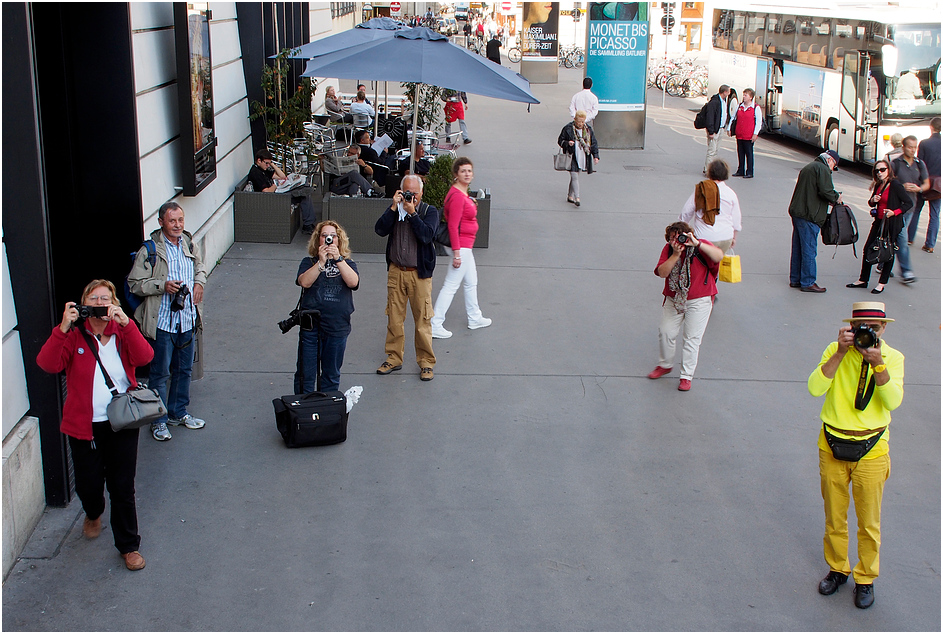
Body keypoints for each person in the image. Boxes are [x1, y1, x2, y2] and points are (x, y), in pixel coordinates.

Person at [36, 279, 154, 571]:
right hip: (85, 427)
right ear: (83, 304)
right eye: (94, 298)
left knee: (123, 487)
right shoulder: (74, 338)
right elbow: (48, 364)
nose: (100, 303)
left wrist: (127, 324)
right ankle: (93, 512)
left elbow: (145, 357)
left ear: (113, 303)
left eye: (106, 298)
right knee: (89, 486)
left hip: (122, 423)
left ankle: (128, 546)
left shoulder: (121, 332)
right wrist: (63, 327)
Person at [809, 301, 903, 610]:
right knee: (834, 515)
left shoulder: (893, 358)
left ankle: (866, 578)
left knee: (869, 520)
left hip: (872, 448)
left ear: (883, 329)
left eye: (873, 328)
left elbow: (892, 401)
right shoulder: (834, 350)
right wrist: (839, 352)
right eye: (859, 327)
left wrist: (878, 364)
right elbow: (814, 388)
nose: (866, 333)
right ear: (849, 328)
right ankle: (838, 569)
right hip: (832, 443)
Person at [128, 201, 207, 442]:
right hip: (162, 322)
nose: (177, 225)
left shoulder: (188, 242)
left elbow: (200, 266)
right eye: (172, 221)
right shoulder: (150, 250)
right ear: (161, 222)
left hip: (187, 318)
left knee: (184, 370)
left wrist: (199, 282)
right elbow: (134, 284)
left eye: (180, 220)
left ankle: (178, 413)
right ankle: (158, 420)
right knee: (160, 373)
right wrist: (162, 286)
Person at [374, 174, 439, 381]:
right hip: (396, 271)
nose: (411, 197)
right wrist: (394, 208)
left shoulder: (429, 212)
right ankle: (393, 358)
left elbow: (426, 236)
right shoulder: (396, 210)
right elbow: (379, 230)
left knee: (423, 321)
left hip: (419, 275)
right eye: (407, 192)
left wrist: (412, 214)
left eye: (415, 193)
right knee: (394, 318)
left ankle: (426, 363)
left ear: (421, 193)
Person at [647, 221, 724, 391]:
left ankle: (686, 376)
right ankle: (665, 364)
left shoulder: (700, 246)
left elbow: (718, 256)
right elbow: (662, 272)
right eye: (673, 238)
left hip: (700, 298)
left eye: (681, 236)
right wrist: (675, 255)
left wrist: (697, 244)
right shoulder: (668, 250)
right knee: (666, 331)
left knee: (692, 339)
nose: (678, 241)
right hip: (674, 297)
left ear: (689, 235)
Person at [294, 221, 360, 394]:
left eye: (332, 236)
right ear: (318, 240)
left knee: (331, 373)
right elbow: (304, 282)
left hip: (337, 326)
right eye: (324, 236)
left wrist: (337, 258)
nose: (328, 239)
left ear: (339, 241)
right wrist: (321, 262)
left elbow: (353, 282)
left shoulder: (348, 263)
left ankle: (326, 411)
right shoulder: (308, 262)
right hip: (311, 326)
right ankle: (304, 412)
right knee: (305, 373)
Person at [430, 157, 492, 339]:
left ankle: (474, 317)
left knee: (471, 282)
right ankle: (435, 323)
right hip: (462, 246)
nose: (467, 174)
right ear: (456, 174)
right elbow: (452, 225)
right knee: (451, 285)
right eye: (463, 171)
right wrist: (457, 253)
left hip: (465, 246)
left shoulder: (460, 193)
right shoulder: (457, 196)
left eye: (469, 171)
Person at [846, 160, 912, 294]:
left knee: (888, 251)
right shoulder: (878, 185)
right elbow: (871, 203)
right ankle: (863, 279)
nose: (880, 173)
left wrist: (894, 212)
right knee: (868, 248)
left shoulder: (895, 185)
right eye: (877, 171)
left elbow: (908, 203)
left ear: (889, 170)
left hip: (891, 223)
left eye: (882, 170)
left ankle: (882, 283)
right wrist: (872, 200)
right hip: (879, 221)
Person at [788, 150, 842, 293]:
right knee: (809, 249)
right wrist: (837, 197)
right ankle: (808, 281)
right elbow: (826, 191)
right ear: (830, 160)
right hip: (809, 215)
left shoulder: (810, 167)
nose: (832, 169)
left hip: (798, 212)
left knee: (798, 247)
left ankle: (796, 279)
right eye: (834, 166)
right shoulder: (822, 169)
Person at [678, 159, 742, 255]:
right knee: (717, 264)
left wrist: (681, 229)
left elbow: (686, 212)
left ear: (710, 172)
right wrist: (733, 238)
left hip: (704, 238)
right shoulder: (731, 193)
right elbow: (736, 219)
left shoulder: (701, 190)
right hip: (725, 237)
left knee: (703, 266)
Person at [246, 149, 317, 234]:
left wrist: (272, 164)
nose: (268, 165)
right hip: (272, 199)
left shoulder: (263, 169)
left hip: (277, 193)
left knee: (304, 193)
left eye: (269, 163)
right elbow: (267, 192)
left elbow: (282, 177)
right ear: (259, 160)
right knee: (303, 195)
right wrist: (275, 185)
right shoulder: (256, 173)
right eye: (266, 163)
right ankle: (308, 225)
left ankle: (308, 224)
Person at [890, 135, 929, 283]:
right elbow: (887, 180)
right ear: (904, 147)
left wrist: (919, 189)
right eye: (910, 147)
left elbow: (926, 183)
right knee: (901, 237)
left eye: (915, 147)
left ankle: (882, 262)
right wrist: (901, 187)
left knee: (895, 236)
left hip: (910, 207)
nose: (913, 150)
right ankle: (906, 271)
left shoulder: (919, 164)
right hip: (896, 207)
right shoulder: (896, 163)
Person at [910, 117, 940, 252]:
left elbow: (919, 163)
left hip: (925, 181)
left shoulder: (924, 143)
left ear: (931, 127)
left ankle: (910, 237)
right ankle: (930, 244)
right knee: (935, 214)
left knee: (916, 209)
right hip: (939, 184)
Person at [557, 110, 599, 207]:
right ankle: (577, 197)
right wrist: (568, 143)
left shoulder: (588, 130)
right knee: (574, 176)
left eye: (582, 122)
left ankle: (570, 195)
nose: (580, 124)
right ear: (575, 119)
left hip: (583, 156)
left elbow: (593, 143)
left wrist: (595, 156)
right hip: (572, 155)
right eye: (579, 121)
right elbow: (560, 140)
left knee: (575, 176)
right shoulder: (568, 128)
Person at [729, 88, 762, 178]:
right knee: (740, 152)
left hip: (749, 135)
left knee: (749, 153)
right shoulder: (740, 106)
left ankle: (750, 171)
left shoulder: (755, 108)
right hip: (740, 134)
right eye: (743, 95)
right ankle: (740, 170)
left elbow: (759, 122)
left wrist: (755, 133)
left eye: (746, 95)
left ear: (751, 97)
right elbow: (733, 117)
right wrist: (730, 128)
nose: (744, 97)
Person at [704, 84, 731, 174]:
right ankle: (708, 170)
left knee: (716, 150)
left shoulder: (723, 101)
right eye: (729, 91)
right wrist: (711, 131)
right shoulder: (715, 102)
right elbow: (710, 117)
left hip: (721, 128)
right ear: (725, 92)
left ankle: (711, 169)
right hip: (715, 129)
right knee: (712, 150)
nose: (729, 93)